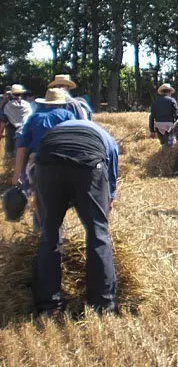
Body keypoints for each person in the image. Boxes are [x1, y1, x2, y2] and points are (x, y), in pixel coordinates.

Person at [32, 118, 119, 316]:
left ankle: (49, 305)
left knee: (49, 232)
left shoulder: (54, 131)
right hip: (88, 164)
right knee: (98, 232)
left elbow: (37, 159)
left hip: (48, 164)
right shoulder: (105, 136)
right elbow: (111, 173)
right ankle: (103, 305)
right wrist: (109, 199)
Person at [13, 88, 77, 194]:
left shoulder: (34, 117)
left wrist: (17, 173)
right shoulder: (68, 115)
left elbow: (22, 147)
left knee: (36, 192)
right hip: (61, 158)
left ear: (46, 103)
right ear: (61, 104)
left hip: (38, 158)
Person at [0, 84, 33, 159]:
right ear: (21, 93)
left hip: (11, 130)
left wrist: (0, 132)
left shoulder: (8, 105)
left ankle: (9, 168)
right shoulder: (27, 105)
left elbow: (3, 120)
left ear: (12, 93)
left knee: (9, 153)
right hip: (24, 131)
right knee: (21, 153)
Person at [149, 83, 178, 148]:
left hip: (158, 126)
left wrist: (152, 130)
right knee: (170, 145)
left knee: (163, 144)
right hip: (169, 126)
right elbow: (177, 114)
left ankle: (164, 150)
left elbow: (151, 117)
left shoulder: (155, 102)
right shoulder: (172, 100)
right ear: (169, 92)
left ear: (162, 92)